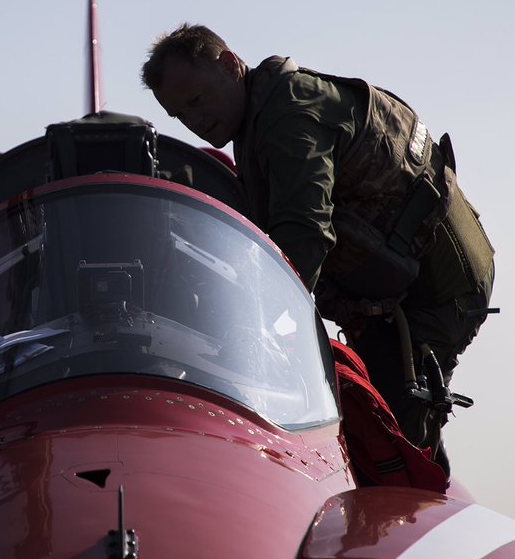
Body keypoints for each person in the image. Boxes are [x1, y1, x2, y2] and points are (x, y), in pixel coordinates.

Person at [141, 24, 495, 473]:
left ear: (229, 64)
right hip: (394, 296)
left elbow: (302, 235)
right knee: (381, 428)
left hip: (435, 290)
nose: (194, 120)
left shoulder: (289, 113)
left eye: (196, 101)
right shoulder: (260, 122)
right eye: (179, 116)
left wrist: (260, 333)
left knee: (385, 450)